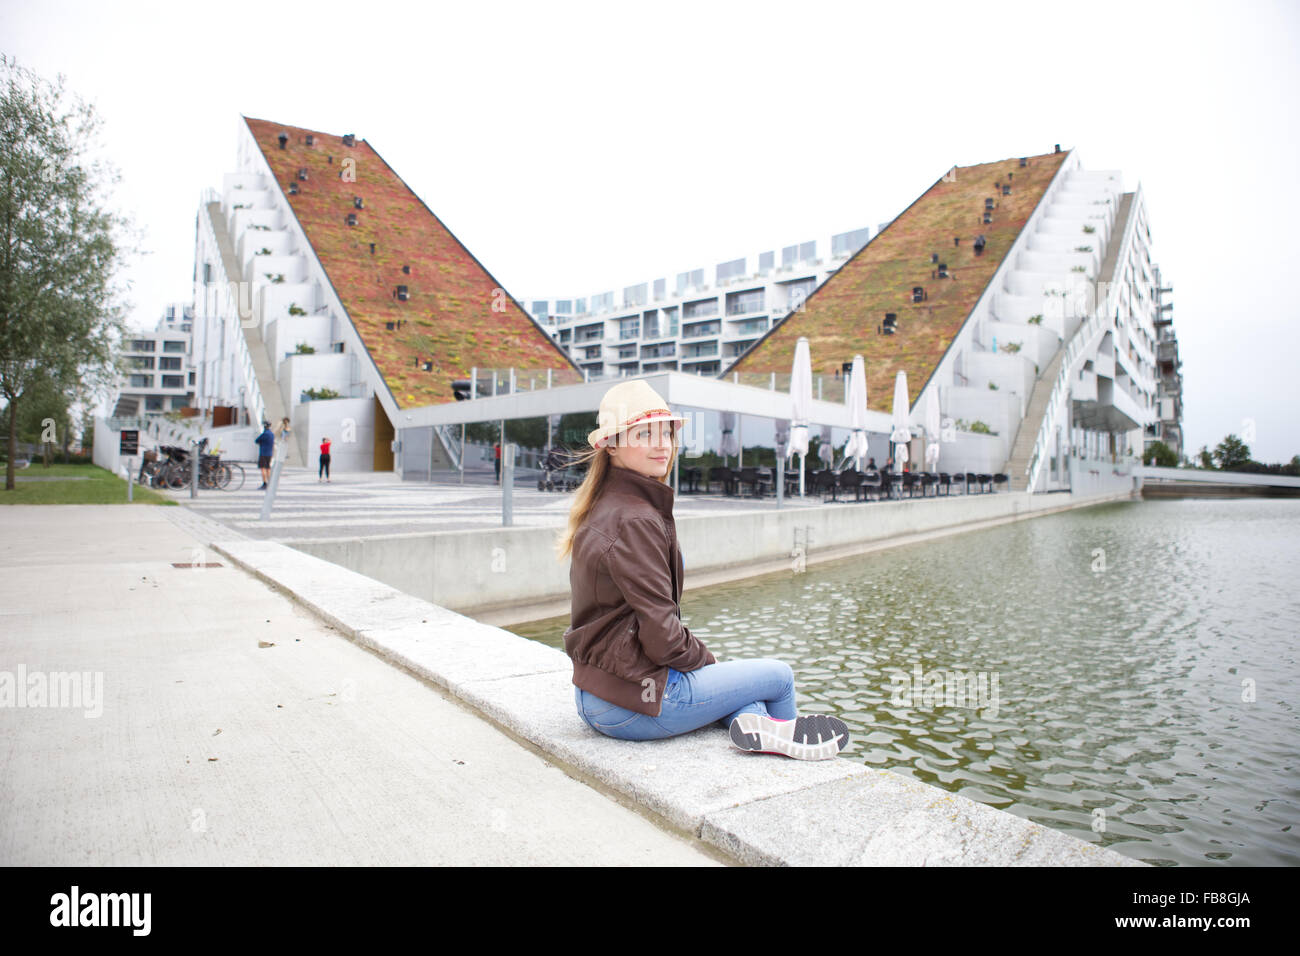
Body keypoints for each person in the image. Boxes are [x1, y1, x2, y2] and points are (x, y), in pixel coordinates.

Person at [555, 380, 849, 760]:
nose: (662, 445)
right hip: (634, 705)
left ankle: (758, 726)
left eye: (666, 432)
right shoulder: (635, 519)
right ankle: (797, 776)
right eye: (645, 434)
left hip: (599, 695)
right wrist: (707, 665)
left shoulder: (606, 505)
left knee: (744, 697)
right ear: (611, 444)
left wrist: (708, 672)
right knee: (778, 677)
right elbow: (663, 638)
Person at [255, 421, 275, 489]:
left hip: (263, 453)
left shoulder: (264, 434)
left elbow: (257, 441)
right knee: (268, 469)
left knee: (263, 469)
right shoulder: (272, 434)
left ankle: (264, 483)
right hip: (269, 453)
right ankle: (270, 483)